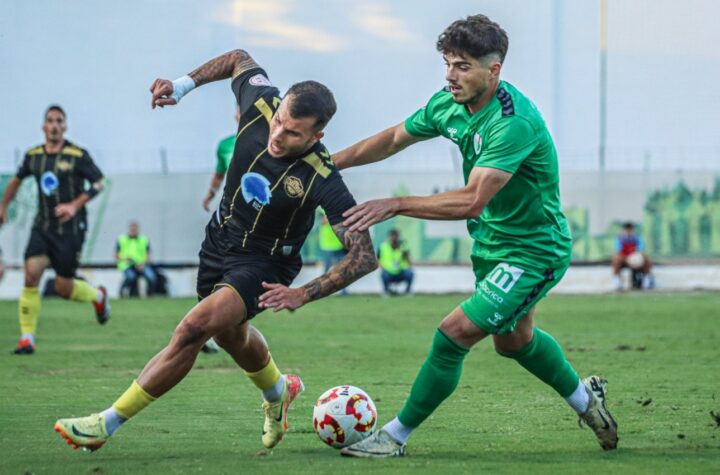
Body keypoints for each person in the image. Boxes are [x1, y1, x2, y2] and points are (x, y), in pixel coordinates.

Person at [54, 48, 377, 452]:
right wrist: (181, 85)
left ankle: (105, 424)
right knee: (230, 337)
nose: (278, 136)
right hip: (218, 241)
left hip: (265, 263)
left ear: (317, 136)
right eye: (279, 122)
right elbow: (238, 58)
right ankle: (279, 391)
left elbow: (365, 257)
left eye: (293, 133)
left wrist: (302, 293)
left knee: (193, 329)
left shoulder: (322, 176)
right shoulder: (261, 100)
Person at [333, 15, 618, 457]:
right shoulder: (448, 102)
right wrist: (331, 164)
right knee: (514, 342)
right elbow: (392, 137)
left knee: (453, 334)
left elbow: (471, 201)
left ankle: (394, 436)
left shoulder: (512, 122)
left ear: (494, 70)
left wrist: (394, 204)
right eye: (448, 63)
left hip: (533, 250)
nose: (451, 75)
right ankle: (587, 401)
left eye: (463, 66)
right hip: (492, 244)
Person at [0, 105, 111, 355]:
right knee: (31, 277)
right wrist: (3, 206)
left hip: (71, 229)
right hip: (43, 226)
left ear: (65, 126)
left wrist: (74, 205)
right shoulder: (33, 156)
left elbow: (99, 182)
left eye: (59, 121)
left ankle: (97, 297)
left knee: (63, 288)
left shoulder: (77, 155)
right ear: (43, 126)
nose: (54, 125)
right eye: (50, 121)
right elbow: (17, 180)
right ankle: (26, 338)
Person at [202, 106, 240, 212]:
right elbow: (219, 176)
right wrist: (210, 195)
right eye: (240, 111)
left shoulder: (269, 143)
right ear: (236, 116)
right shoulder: (225, 145)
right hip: (235, 205)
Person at [116, 221, 157, 297]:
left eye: (135, 229)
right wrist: (125, 258)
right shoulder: (122, 239)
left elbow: (148, 254)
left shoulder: (144, 239)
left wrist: (143, 264)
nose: (133, 231)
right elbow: (116, 255)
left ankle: (150, 296)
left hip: (141, 265)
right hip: (126, 265)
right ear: (128, 229)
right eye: (131, 229)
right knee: (131, 277)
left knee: (151, 276)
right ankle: (122, 293)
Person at [612, 221, 653, 291]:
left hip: (635, 258)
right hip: (624, 259)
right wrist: (626, 257)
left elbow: (640, 249)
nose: (628, 231)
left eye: (630, 229)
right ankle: (616, 281)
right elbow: (618, 250)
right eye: (627, 229)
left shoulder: (637, 238)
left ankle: (647, 280)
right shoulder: (620, 239)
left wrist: (636, 255)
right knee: (616, 260)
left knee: (647, 260)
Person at [318, 210, 348, 295]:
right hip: (328, 248)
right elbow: (324, 220)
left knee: (342, 269)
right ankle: (322, 290)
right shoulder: (325, 221)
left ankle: (344, 291)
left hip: (338, 247)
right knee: (327, 271)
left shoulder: (336, 220)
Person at [378, 229, 413, 295]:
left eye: (396, 237)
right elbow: (378, 260)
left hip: (400, 272)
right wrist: (383, 267)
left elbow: (410, 262)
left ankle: (408, 292)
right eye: (392, 236)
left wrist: (406, 256)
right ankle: (386, 291)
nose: (394, 239)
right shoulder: (383, 246)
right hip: (388, 272)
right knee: (384, 274)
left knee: (410, 273)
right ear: (389, 237)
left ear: (398, 237)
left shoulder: (403, 246)